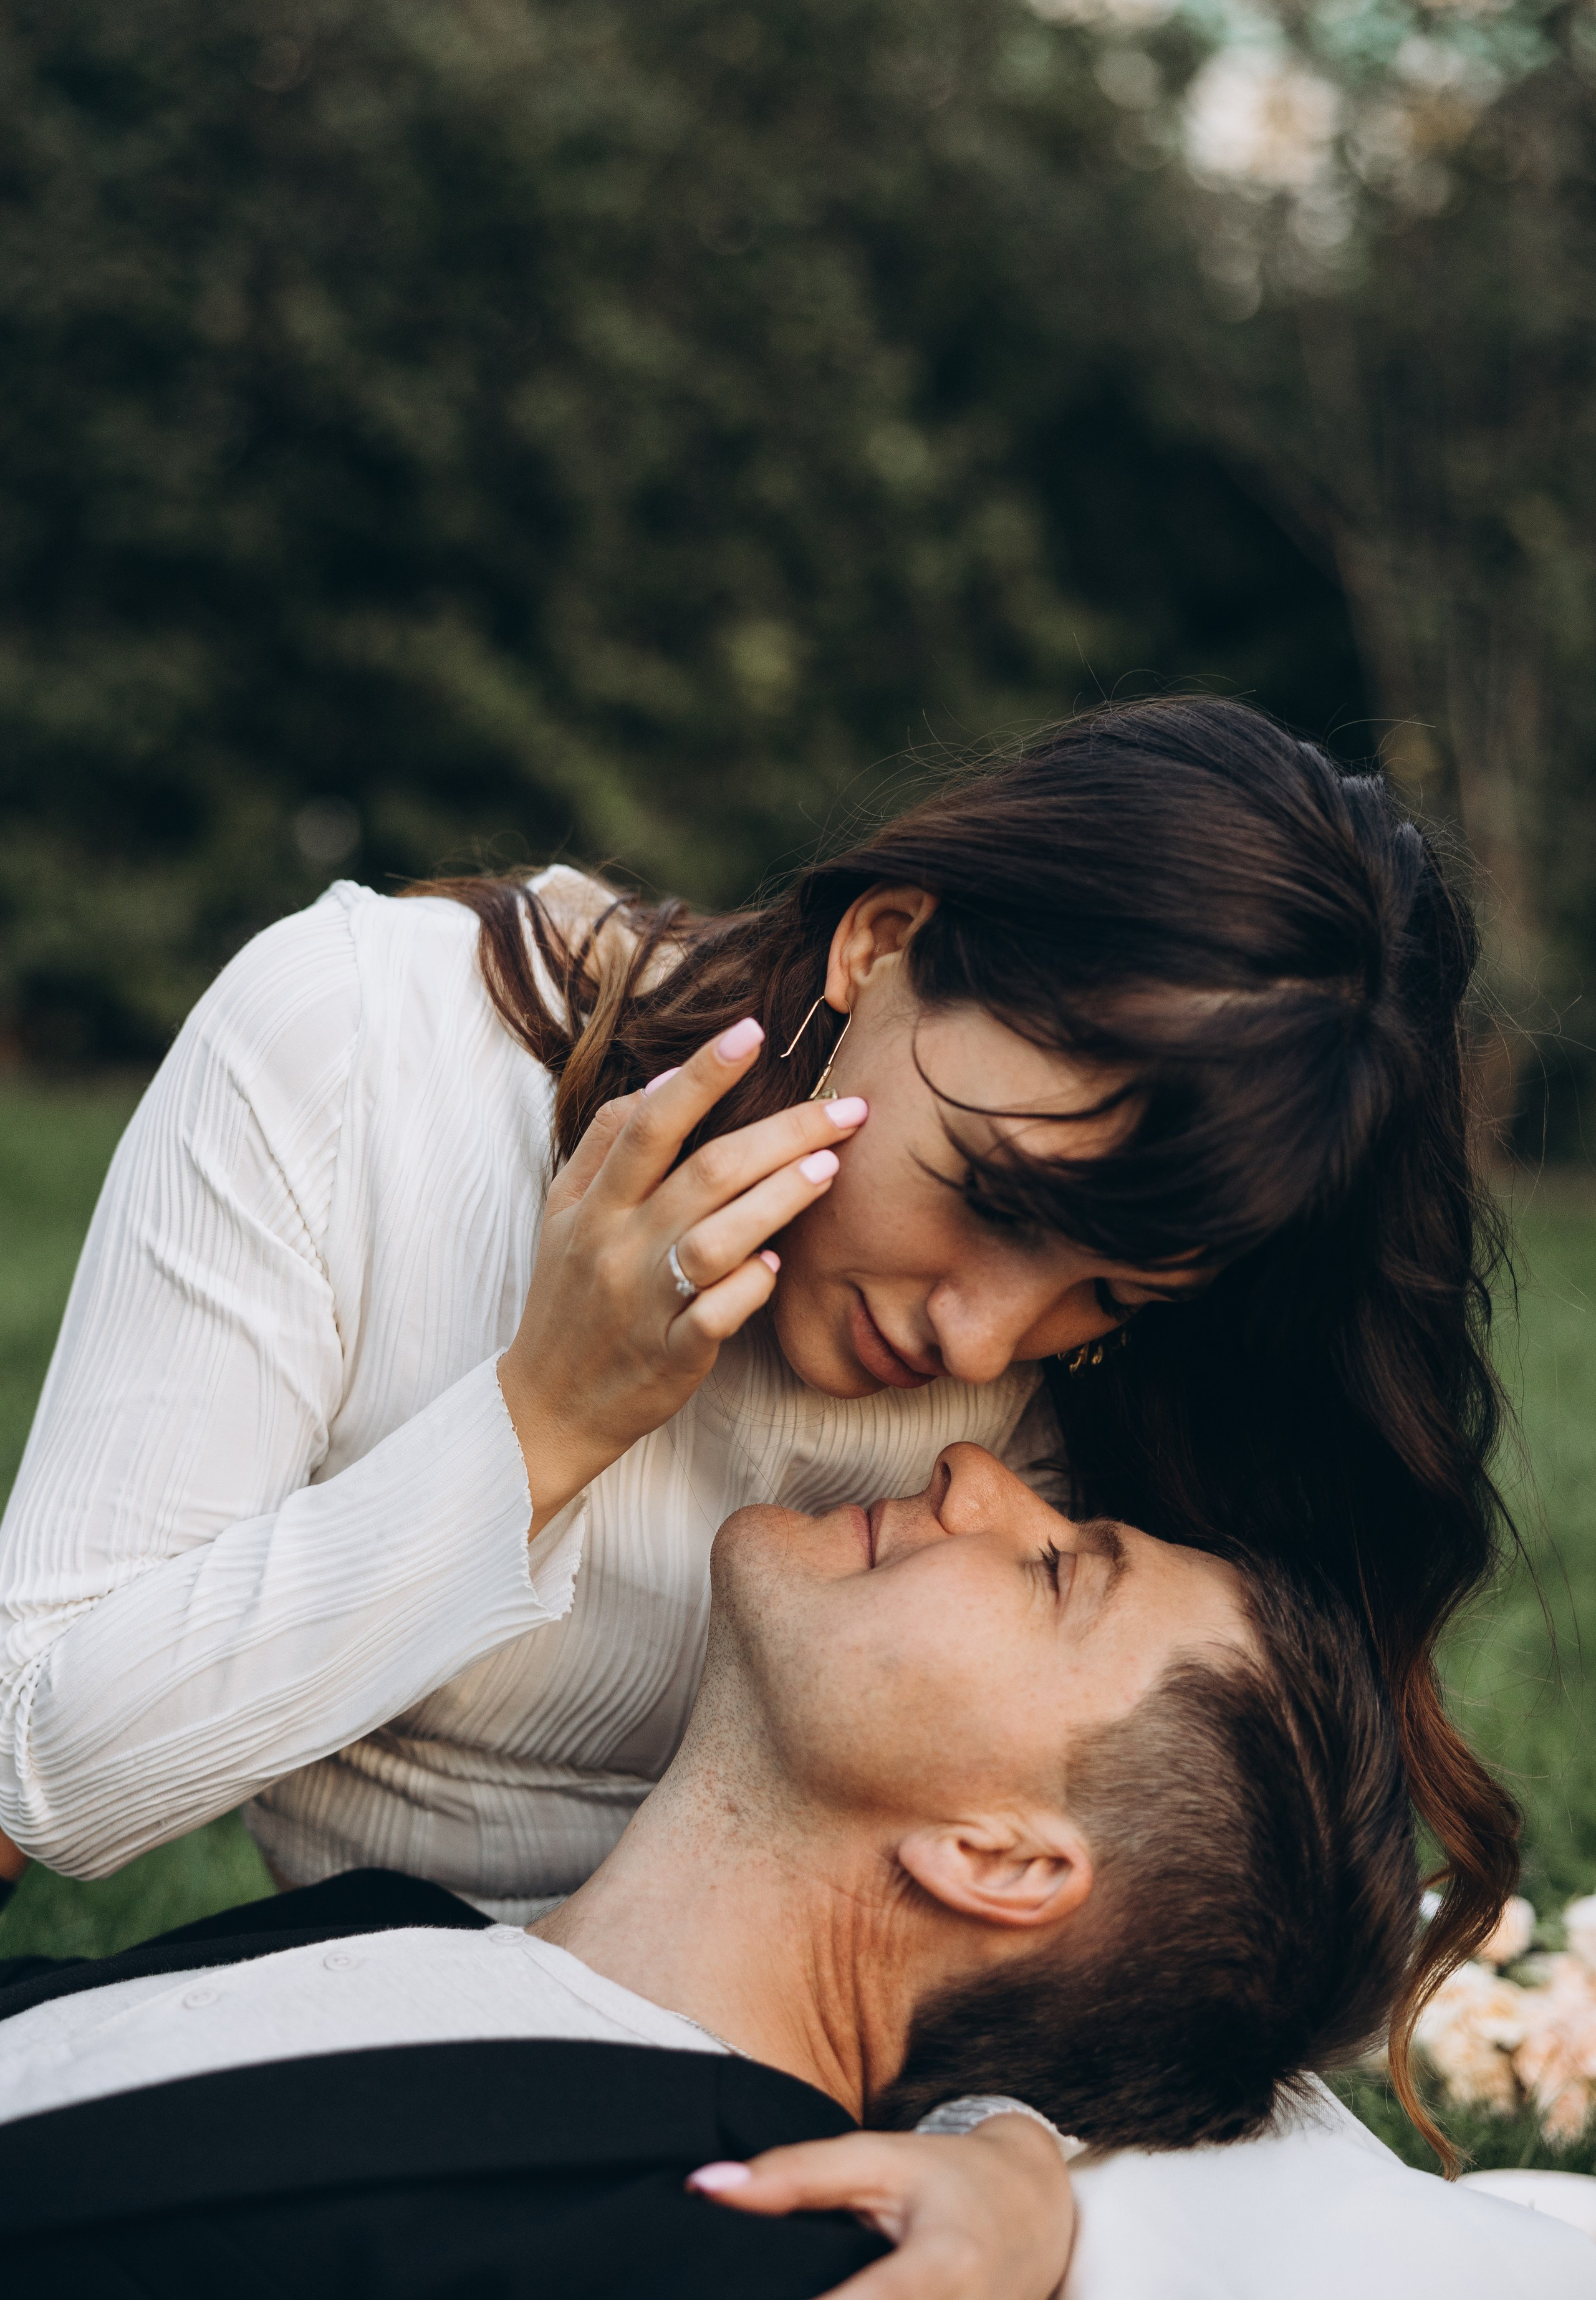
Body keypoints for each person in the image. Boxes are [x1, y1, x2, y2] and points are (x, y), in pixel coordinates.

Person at [0, 697, 1519, 2210]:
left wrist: (1012, 2162)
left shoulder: (1096, 1409)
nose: (984, 1346)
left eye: (1110, 1292)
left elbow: (1142, 1920)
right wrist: (539, 1424)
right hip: (369, 2064)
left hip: (773, 2124)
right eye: (993, 1203)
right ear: (882, 943)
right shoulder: (368, 1052)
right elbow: (43, 1767)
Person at [7, 1448, 1585, 2298]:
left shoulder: (742, 2249)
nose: (977, 1469)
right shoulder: (389, 1923)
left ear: (999, 1857)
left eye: (1054, 1569)